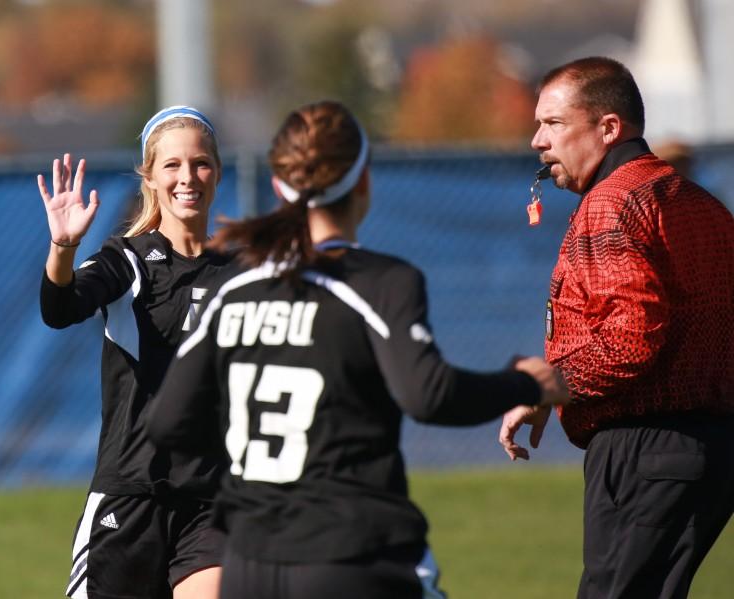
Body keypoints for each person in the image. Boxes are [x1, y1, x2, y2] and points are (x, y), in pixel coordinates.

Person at [146, 100, 571, 599]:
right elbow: (429, 395)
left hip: (248, 564)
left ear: (280, 187)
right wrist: (524, 381)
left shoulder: (237, 291)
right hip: (350, 556)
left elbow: (168, 421)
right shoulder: (379, 281)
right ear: (364, 181)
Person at [499, 57, 734, 599]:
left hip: (645, 447)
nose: (538, 140)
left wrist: (546, 384)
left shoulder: (612, 202)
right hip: (709, 448)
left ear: (609, 128)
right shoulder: (702, 204)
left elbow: (632, 337)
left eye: (554, 124)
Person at [37, 106, 230, 599]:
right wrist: (63, 248)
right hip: (131, 498)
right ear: (150, 177)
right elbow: (60, 308)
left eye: (200, 163)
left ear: (217, 171)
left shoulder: (239, 270)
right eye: (172, 165)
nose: (188, 177)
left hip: (212, 501)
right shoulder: (128, 261)